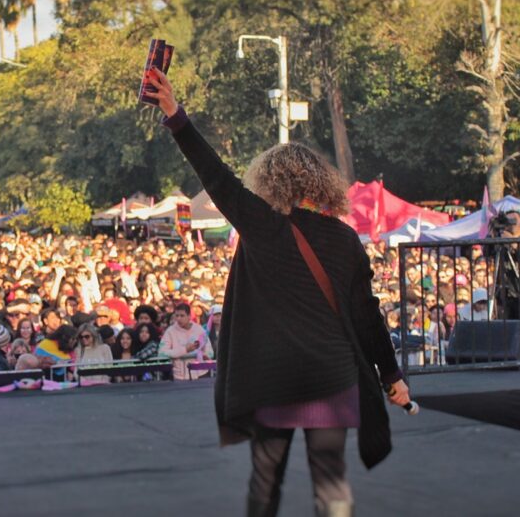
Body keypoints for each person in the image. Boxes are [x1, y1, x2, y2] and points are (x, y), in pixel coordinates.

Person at [144, 67, 407, 517]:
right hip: (330, 374)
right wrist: (391, 376)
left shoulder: (262, 225)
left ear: (268, 180)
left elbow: (216, 176)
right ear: (320, 183)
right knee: (330, 478)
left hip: (274, 378)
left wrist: (174, 112)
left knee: (266, 479)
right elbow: (368, 317)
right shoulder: (344, 239)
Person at [159, 303, 212, 380]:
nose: (179, 319)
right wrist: (185, 350)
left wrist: (204, 355)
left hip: (200, 374)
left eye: (182, 316)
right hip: (179, 376)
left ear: (189, 316)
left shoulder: (199, 329)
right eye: (177, 316)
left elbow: (210, 351)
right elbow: (162, 353)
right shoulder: (170, 331)